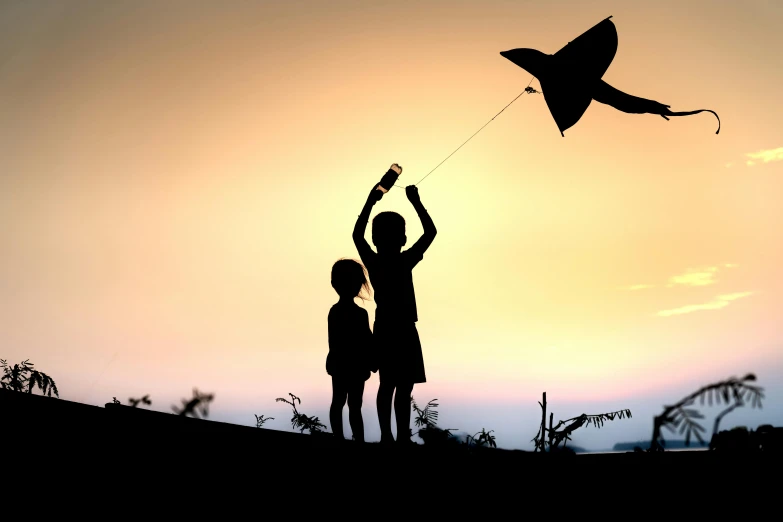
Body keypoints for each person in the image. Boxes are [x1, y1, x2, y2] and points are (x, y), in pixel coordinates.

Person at [352, 166, 437, 444]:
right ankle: (399, 437)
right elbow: (431, 232)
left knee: (388, 386)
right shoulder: (404, 260)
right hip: (402, 329)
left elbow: (356, 235)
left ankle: (391, 436)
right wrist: (416, 202)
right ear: (402, 239)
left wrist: (371, 200)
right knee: (401, 388)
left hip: (386, 328)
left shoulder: (377, 262)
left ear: (376, 239)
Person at [327, 258, 375, 443]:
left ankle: (353, 439)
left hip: (348, 364)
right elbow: (365, 340)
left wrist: (371, 358)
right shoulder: (346, 313)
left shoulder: (349, 313)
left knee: (348, 403)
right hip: (348, 364)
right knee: (347, 403)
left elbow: (367, 340)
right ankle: (348, 438)